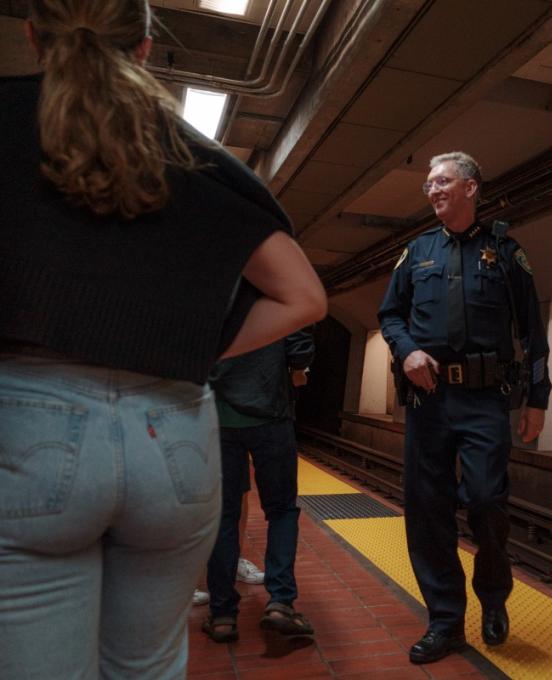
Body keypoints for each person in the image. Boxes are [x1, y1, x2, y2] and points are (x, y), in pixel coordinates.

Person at [0, 1, 326, 678]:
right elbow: (305, 297)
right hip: (173, 439)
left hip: (28, 425)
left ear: (33, 36)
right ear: (147, 48)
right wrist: (193, 345)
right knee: (147, 666)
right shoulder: (198, 157)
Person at [378, 152, 552, 664]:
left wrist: (537, 398)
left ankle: (493, 598)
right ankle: (445, 621)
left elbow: (532, 333)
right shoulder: (416, 253)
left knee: (485, 501)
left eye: (443, 182)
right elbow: (390, 315)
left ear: (471, 188)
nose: (432, 190)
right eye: (428, 183)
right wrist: (406, 348)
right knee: (428, 511)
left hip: (484, 401)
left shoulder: (504, 252)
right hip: (429, 399)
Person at [202, 328, 316, 642]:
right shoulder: (276, 284)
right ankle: (280, 603)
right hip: (272, 414)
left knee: (223, 516)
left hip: (219, 417)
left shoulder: (213, 283)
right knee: (281, 511)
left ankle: (222, 614)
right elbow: (300, 346)